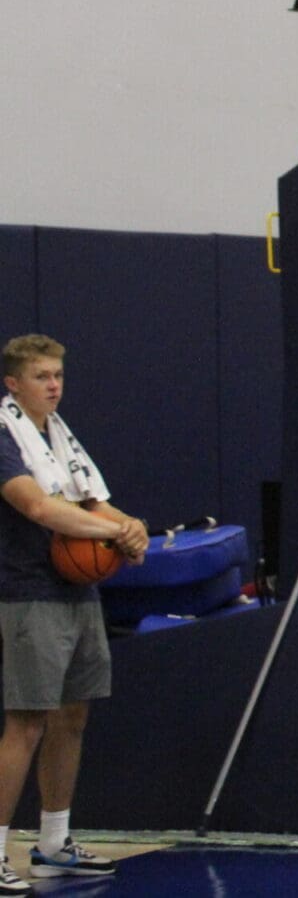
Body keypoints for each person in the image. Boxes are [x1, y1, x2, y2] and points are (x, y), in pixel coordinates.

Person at [0, 336, 146, 890]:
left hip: (77, 592)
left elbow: (92, 501)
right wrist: (115, 532)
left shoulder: (60, 437)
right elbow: (38, 506)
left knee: (71, 718)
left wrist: (130, 527)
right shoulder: (5, 435)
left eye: (58, 375)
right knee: (26, 722)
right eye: (42, 376)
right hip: (27, 592)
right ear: (13, 383)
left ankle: (53, 844)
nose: (54, 385)